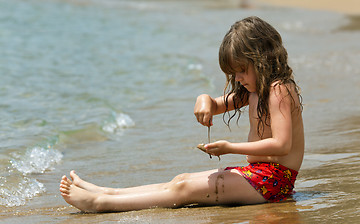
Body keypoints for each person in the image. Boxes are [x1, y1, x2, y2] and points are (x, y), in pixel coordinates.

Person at [59, 16, 304, 213]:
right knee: (181, 179)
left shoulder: (278, 89)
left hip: (274, 182)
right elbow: (216, 104)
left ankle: (99, 203)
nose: (238, 78)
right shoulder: (254, 90)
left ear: (261, 60)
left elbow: (282, 145)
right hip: (260, 176)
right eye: (234, 73)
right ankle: (105, 192)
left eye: (241, 70)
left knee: (184, 189)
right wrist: (203, 100)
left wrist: (229, 147)